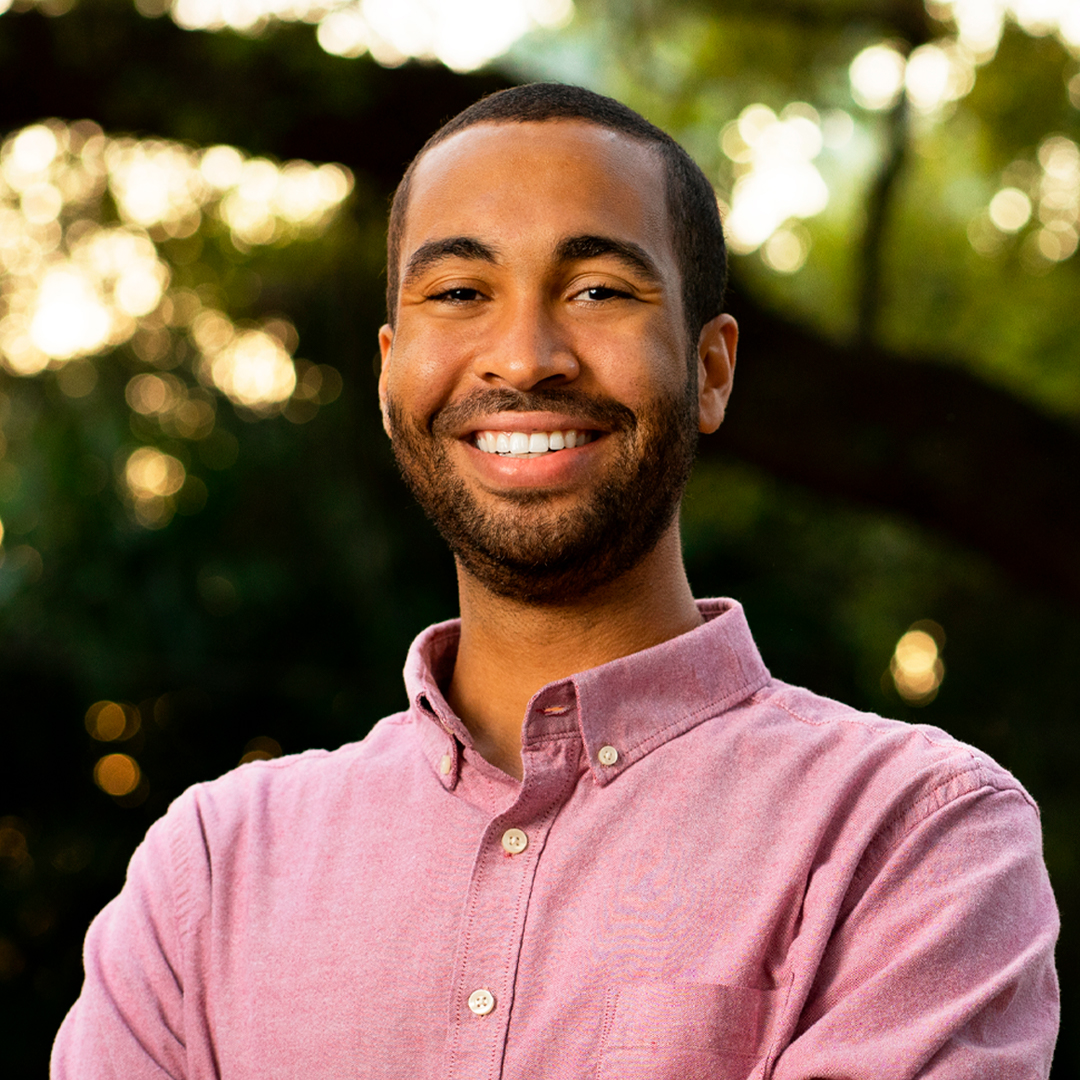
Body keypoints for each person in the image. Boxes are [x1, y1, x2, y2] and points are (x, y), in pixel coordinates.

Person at [53, 83, 1058, 1079]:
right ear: (389, 374)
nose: (526, 360)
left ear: (710, 371)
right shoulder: (213, 870)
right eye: (459, 294)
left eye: (598, 291)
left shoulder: (913, 832)